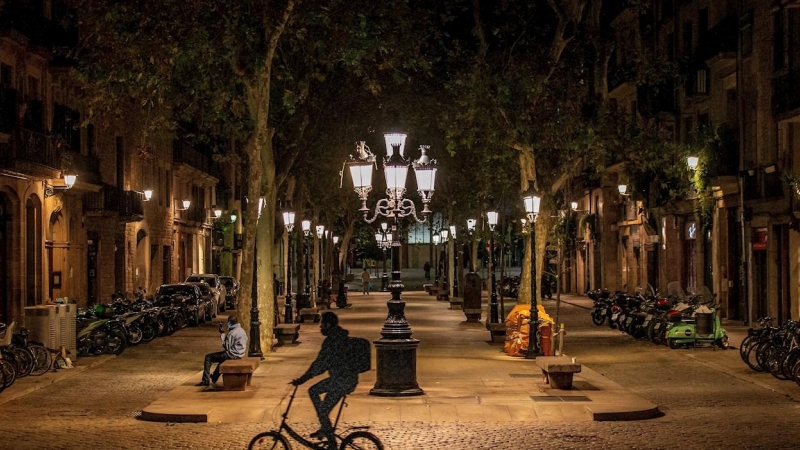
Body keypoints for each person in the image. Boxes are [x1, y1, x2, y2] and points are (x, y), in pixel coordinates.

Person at [292, 312, 360, 445]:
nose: (321, 327)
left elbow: (320, 364)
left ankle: (331, 440)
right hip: (345, 379)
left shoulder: (332, 341)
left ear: (328, 325)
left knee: (314, 394)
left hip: (341, 381)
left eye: (322, 324)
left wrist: (303, 379)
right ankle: (325, 428)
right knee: (322, 406)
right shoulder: (340, 336)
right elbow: (322, 364)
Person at [195, 315, 248, 387]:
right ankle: (214, 377)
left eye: (228, 323)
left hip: (233, 354)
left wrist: (222, 334)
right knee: (222, 359)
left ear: (230, 323)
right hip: (240, 353)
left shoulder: (232, 333)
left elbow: (226, 347)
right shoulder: (241, 330)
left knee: (208, 357)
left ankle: (205, 380)